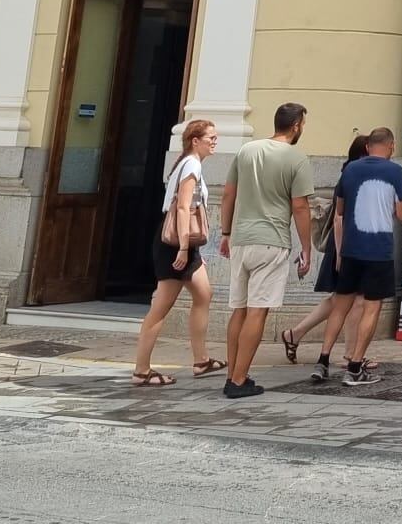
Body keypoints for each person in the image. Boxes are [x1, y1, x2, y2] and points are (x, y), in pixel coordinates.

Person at [219, 101, 314, 400]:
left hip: (242, 239)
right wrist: (307, 248)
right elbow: (300, 206)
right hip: (271, 241)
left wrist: (225, 233)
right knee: (257, 312)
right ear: (297, 125)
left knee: (239, 309)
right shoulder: (297, 159)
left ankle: (232, 373)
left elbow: (228, 194)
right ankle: (239, 379)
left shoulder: (246, 150)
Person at [128, 119, 221, 386]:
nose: (215, 142)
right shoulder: (191, 164)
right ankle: (141, 370)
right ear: (195, 141)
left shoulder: (188, 162)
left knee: (204, 293)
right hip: (175, 243)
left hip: (185, 243)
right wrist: (182, 247)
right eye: (211, 138)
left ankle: (201, 360)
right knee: (161, 307)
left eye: (215, 137)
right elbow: (182, 208)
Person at [280, 132, 370, 379]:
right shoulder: (355, 173)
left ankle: (295, 334)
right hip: (346, 244)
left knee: (339, 300)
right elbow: (341, 217)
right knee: (354, 301)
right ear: (366, 151)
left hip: (346, 243)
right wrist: (341, 253)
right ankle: (351, 355)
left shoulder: (352, 170)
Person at [332, 127, 402, 386]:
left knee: (341, 305)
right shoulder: (396, 172)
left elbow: (339, 210)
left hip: (352, 248)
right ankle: (355, 365)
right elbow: (401, 214)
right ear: (391, 146)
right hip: (379, 250)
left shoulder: (351, 169)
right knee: (371, 307)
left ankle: (324, 359)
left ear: (367, 146)